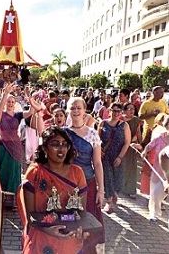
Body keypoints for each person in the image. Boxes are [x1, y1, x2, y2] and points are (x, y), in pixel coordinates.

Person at [17, 126, 89, 254]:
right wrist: (47, 229)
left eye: (64, 144)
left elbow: (81, 212)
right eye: (55, 144)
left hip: (69, 240)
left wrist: (80, 230)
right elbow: (30, 215)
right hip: (41, 239)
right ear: (45, 148)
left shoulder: (77, 172)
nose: (61, 148)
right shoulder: (35, 173)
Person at [63, 97, 105, 253]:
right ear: (68, 110)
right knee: (68, 221)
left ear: (84, 110)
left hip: (88, 185)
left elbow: (98, 164)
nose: (75, 111)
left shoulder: (92, 134)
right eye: (72, 108)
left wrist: (101, 190)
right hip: (66, 184)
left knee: (86, 223)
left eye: (78, 108)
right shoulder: (62, 133)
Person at [141, 114, 169, 222]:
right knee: (155, 194)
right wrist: (145, 152)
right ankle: (153, 213)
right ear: (166, 125)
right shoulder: (160, 137)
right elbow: (150, 145)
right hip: (159, 170)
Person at [0, 94, 36, 194]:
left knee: (13, 172)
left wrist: (31, 101)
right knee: (2, 171)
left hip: (15, 147)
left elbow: (30, 112)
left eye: (12, 102)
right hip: (3, 146)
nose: (10, 104)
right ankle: (0, 194)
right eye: (8, 101)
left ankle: (14, 196)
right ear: (5, 102)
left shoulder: (18, 115)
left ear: (15, 104)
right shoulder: (1, 114)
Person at [98, 102, 131, 213]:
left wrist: (120, 157)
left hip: (118, 155)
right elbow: (97, 140)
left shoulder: (124, 125)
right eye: (114, 110)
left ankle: (114, 193)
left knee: (118, 179)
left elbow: (127, 142)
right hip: (105, 156)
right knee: (107, 178)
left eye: (118, 111)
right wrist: (99, 151)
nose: (116, 113)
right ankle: (109, 202)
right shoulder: (103, 124)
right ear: (109, 111)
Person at [121, 102, 142, 199]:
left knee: (132, 168)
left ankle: (131, 189)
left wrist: (141, 145)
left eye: (133, 109)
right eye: (129, 109)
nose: (131, 111)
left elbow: (139, 134)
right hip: (121, 146)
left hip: (132, 147)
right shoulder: (120, 120)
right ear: (124, 110)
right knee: (121, 166)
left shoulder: (136, 120)